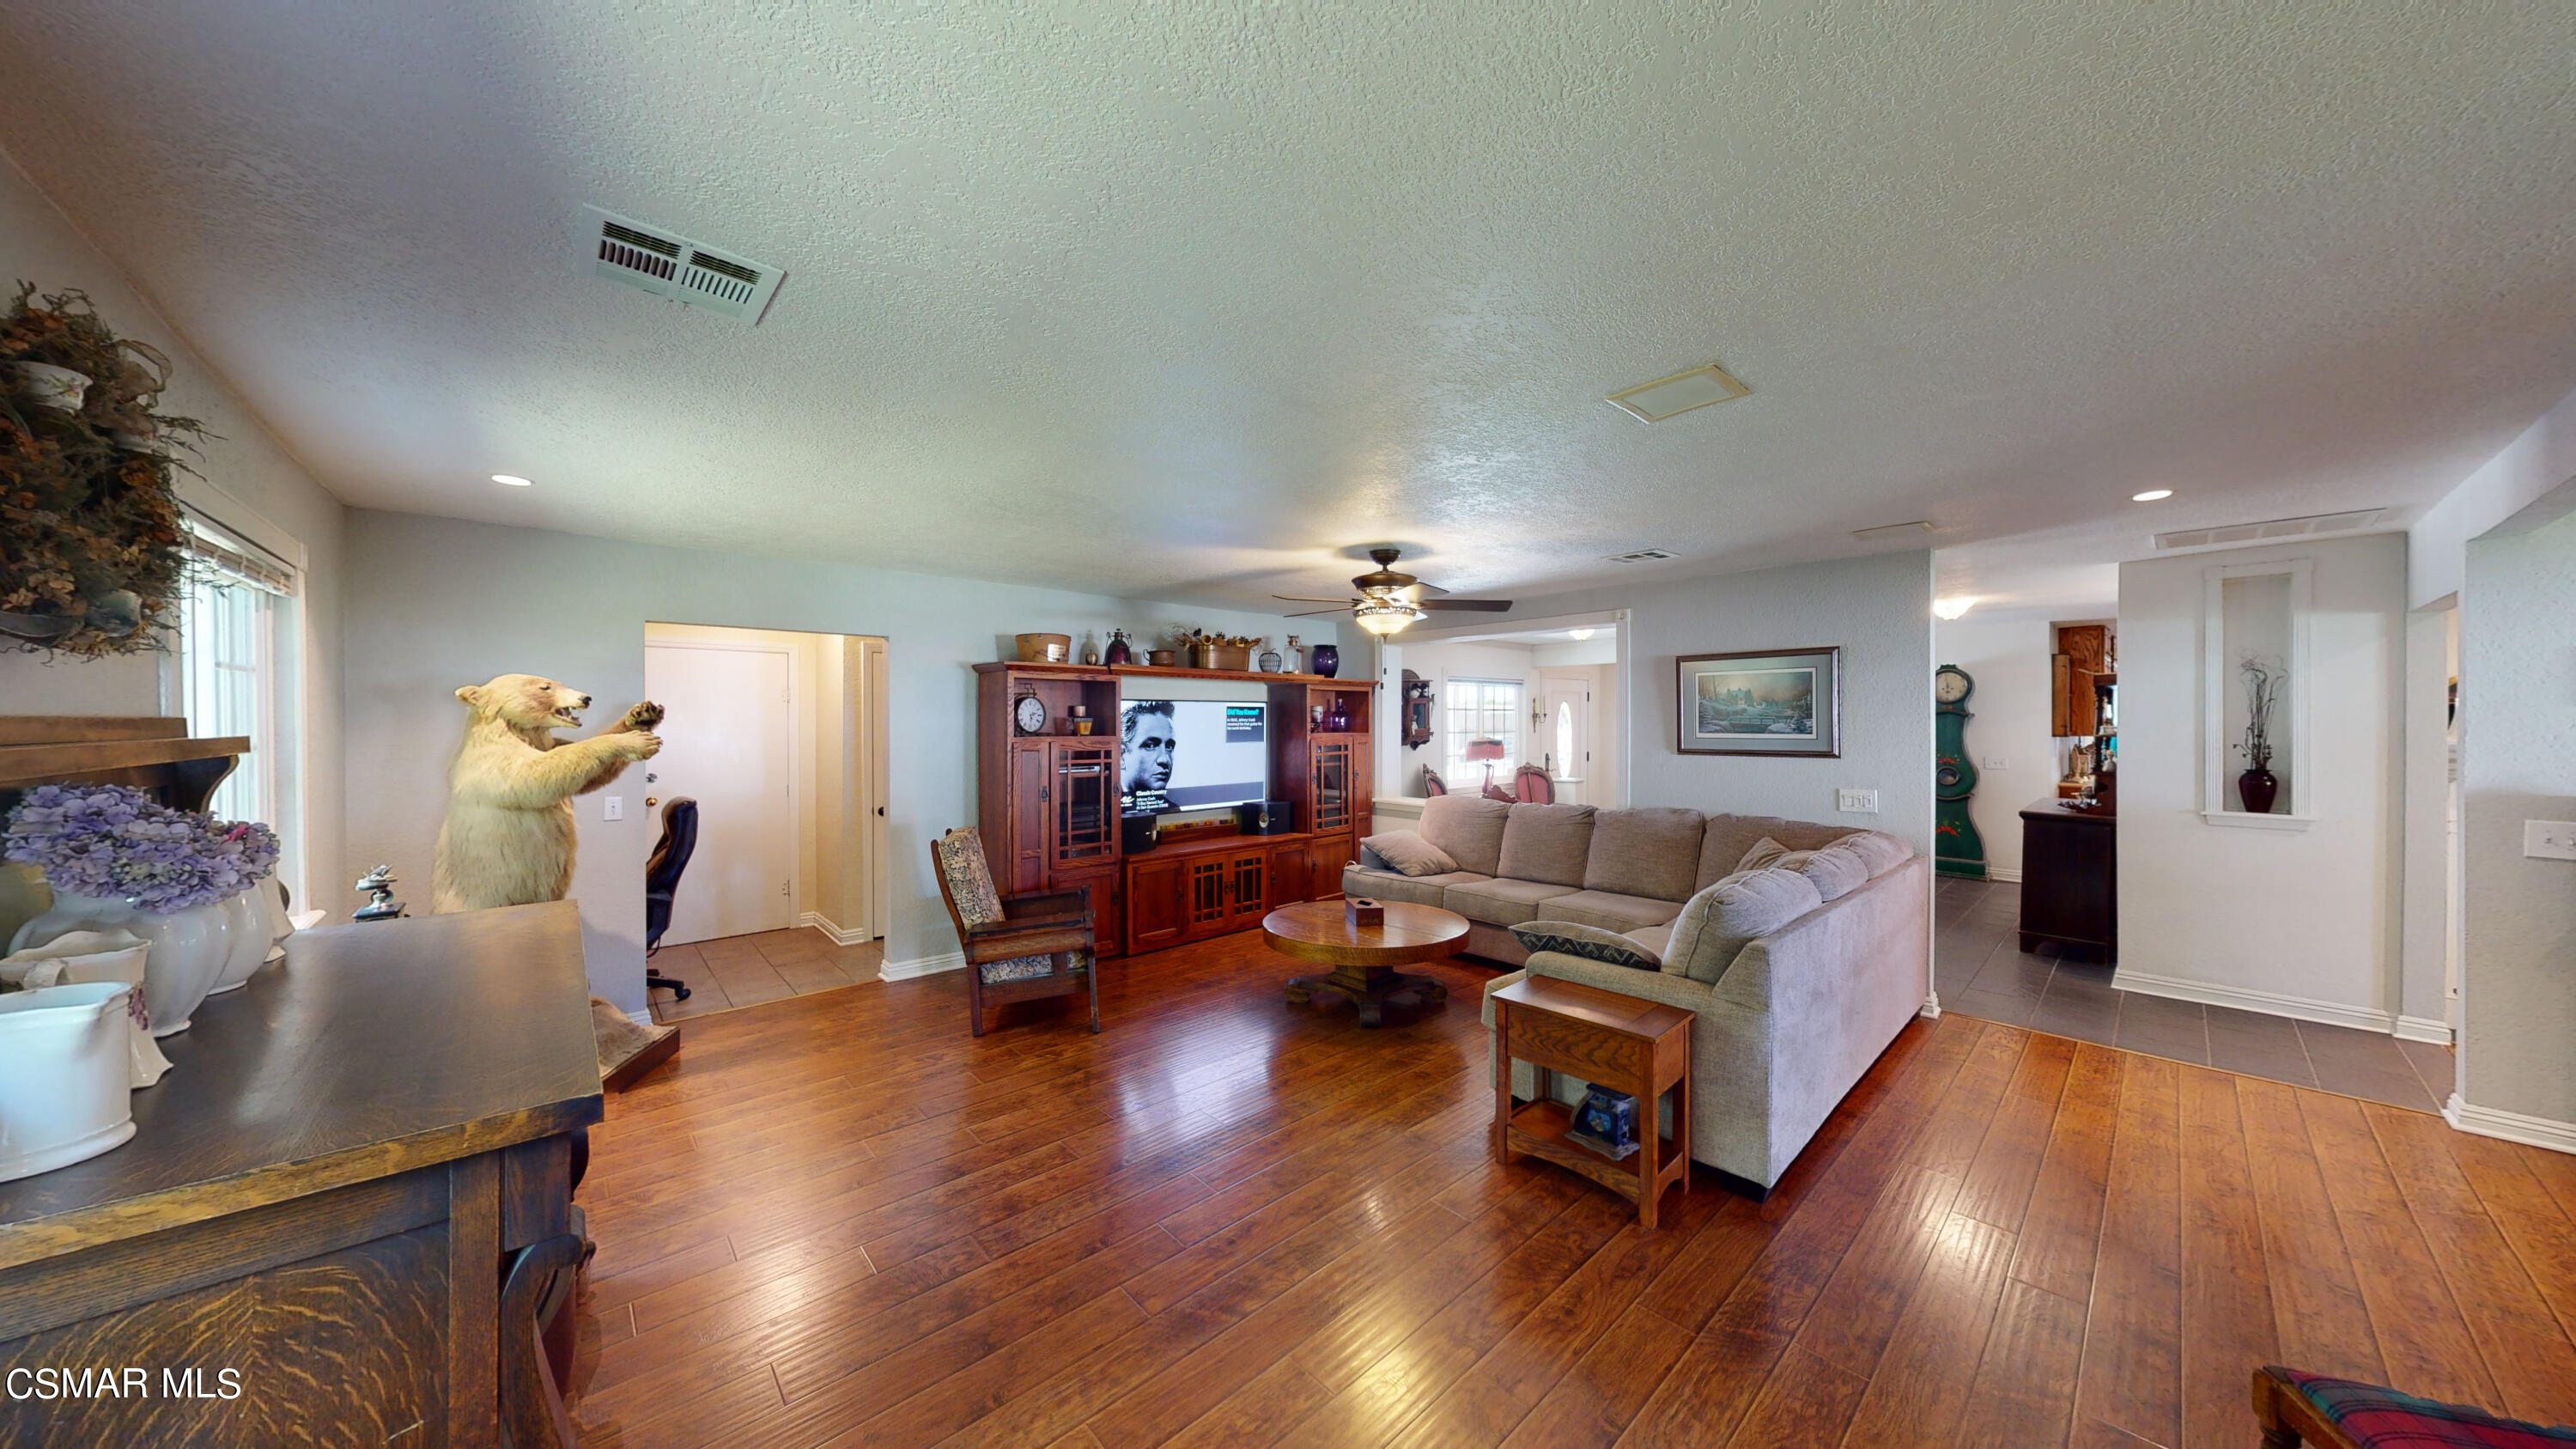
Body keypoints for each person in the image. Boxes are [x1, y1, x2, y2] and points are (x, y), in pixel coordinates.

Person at [1121, 701, 1176, 799]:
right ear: (1121, 755)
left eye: (1169, 747)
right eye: (1150, 746)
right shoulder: (1104, 807)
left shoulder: (1174, 810)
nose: (1164, 760)